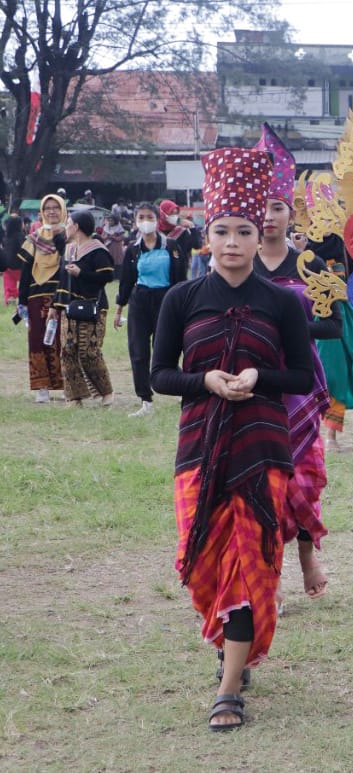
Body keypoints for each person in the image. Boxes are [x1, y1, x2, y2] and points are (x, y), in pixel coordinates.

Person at [150, 146, 314, 731]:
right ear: (207, 235)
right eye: (221, 231)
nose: (233, 242)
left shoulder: (282, 302)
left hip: (261, 448)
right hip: (199, 447)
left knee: (250, 564)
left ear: (257, 233)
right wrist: (207, 381)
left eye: (244, 231)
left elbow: (301, 375)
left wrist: (256, 377)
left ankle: (229, 688)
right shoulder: (182, 299)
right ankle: (230, 648)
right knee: (203, 569)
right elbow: (159, 375)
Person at [252, 122, 339, 604]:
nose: (268, 216)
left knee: (303, 475)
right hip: (253, 386)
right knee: (262, 482)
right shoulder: (234, 265)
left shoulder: (311, 268)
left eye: (278, 207)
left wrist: (287, 325)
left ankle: (307, 552)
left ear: (291, 213)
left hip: (300, 386)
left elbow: (334, 326)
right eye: (261, 206)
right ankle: (271, 576)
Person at [115, 202, 189, 417]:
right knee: (138, 351)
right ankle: (145, 400)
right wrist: (120, 307)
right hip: (140, 301)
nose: (145, 221)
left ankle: (183, 389)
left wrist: (182, 307)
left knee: (165, 348)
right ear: (136, 221)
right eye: (141, 217)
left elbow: (181, 279)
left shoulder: (171, 246)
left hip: (165, 300)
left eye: (149, 217)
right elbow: (126, 281)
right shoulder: (132, 249)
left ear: (157, 220)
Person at [49, 210, 115, 406]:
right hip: (69, 308)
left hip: (92, 308)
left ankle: (107, 393)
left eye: (68, 223)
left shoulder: (98, 250)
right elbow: (61, 280)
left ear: (76, 227)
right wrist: (54, 304)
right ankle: (75, 396)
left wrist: (81, 273)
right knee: (68, 351)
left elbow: (107, 276)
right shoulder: (69, 251)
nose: (66, 227)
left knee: (89, 352)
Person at [16, 194, 67, 402]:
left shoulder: (70, 234)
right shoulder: (34, 238)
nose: (52, 211)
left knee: (63, 341)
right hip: (36, 296)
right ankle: (42, 387)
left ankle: (67, 386)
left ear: (63, 210)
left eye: (56, 207)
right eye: (48, 208)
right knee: (37, 341)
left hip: (63, 295)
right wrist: (21, 301)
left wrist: (59, 236)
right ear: (42, 212)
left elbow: (68, 257)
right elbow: (26, 271)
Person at [3, 213, 25, 304]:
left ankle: (10, 297)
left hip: (8, 265)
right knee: (25, 283)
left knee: (9, 282)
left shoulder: (6, 237)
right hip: (20, 265)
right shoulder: (21, 236)